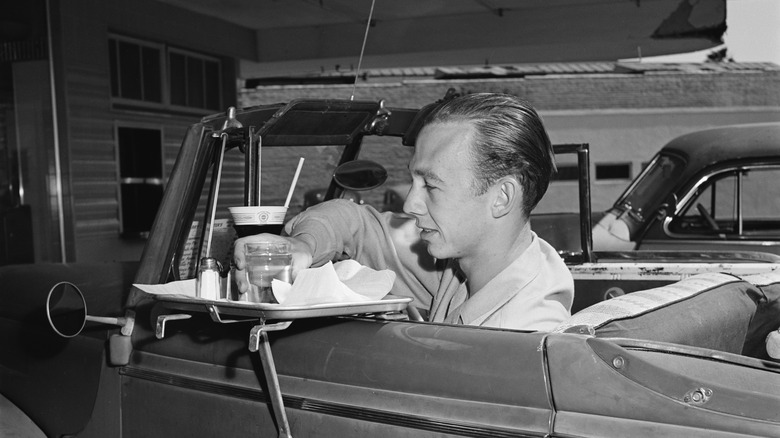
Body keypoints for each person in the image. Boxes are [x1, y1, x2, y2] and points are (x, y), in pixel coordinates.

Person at [234, 93, 574, 331]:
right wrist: (303, 247)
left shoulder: (522, 336)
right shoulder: (461, 264)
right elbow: (355, 221)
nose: (411, 204)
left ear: (501, 197)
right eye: (414, 181)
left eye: (431, 185)